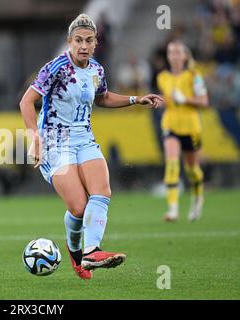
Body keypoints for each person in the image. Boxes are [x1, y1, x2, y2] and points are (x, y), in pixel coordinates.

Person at [19, 14, 162, 280]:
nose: (83, 45)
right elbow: (26, 102)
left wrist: (135, 99)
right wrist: (35, 138)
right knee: (78, 207)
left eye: (89, 40)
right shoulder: (55, 68)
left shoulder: (97, 69)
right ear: (69, 41)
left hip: (84, 137)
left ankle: (91, 251)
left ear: (96, 43)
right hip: (54, 141)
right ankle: (76, 254)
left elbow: (103, 98)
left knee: (102, 192)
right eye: (78, 40)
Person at [157, 40, 209, 222]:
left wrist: (185, 99)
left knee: (192, 169)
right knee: (171, 163)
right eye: (171, 52)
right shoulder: (162, 77)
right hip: (170, 125)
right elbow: (168, 101)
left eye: (178, 52)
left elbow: (204, 101)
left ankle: (197, 198)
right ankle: (173, 209)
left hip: (191, 127)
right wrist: (160, 101)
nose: (174, 56)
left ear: (185, 55)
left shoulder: (194, 75)